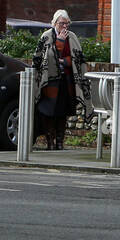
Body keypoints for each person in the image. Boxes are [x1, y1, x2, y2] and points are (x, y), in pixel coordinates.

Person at [34, 10, 84, 150]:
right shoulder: (47, 36)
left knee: (63, 111)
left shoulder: (72, 37)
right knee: (48, 111)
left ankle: (60, 142)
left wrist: (66, 61)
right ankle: (50, 141)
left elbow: (78, 58)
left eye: (67, 24)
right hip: (49, 80)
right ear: (55, 23)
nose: (65, 27)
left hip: (66, 79)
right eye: (62, 23)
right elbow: (43, 57)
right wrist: (60, 42)